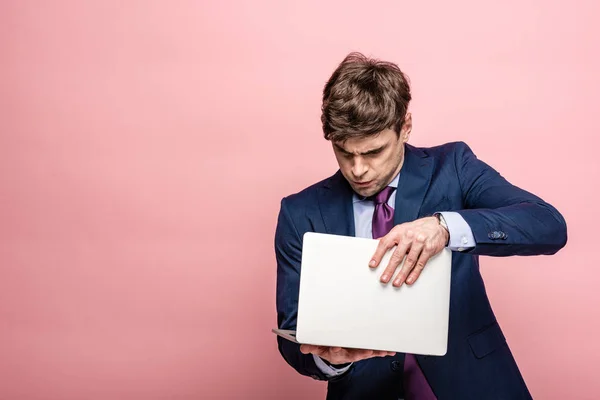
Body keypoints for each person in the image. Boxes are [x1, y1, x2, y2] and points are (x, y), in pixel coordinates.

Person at [274, 52, 567, 400]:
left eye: (373, 152)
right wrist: (330, 360)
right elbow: (293, 333)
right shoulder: (300, 212)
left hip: (472, 383)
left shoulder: (454, 166)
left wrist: (445, 228)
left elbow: (547, 224)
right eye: (344, 152)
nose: (357, 170)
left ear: (405, 127)